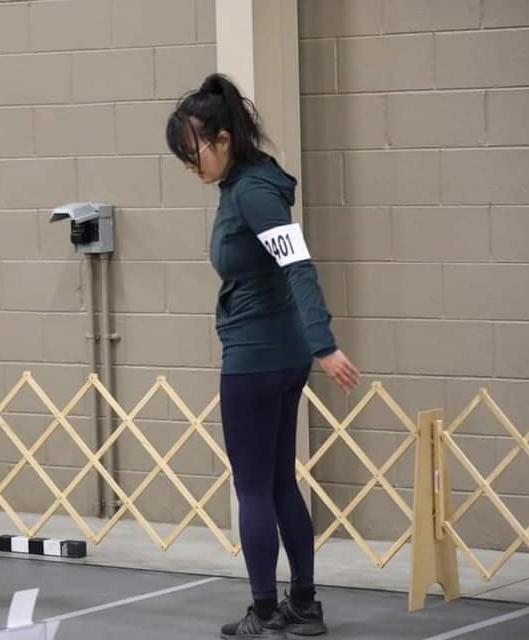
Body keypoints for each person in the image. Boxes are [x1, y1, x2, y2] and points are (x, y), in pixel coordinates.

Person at [166, 73, 360, 638]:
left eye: (191, 151)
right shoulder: (254, 185)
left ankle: (265, 610)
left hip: (256, 359)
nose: (189, 164)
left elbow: (297, 263)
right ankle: (304, 604)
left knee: (253, 489)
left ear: (222, 140)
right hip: (283, 358)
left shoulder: (250, 192)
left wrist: (324, 342)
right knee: (278, 484)